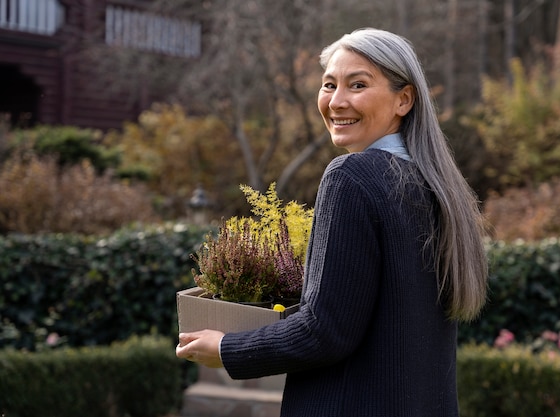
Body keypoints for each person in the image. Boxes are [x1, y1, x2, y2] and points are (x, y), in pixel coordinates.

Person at [176, 28, 488, 417]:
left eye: (357, 85)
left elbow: (324, 332)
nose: (337, 102)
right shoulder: (438, 187)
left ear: (403, 99)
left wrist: (226, 348)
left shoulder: (352, 176)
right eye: (329, 85)